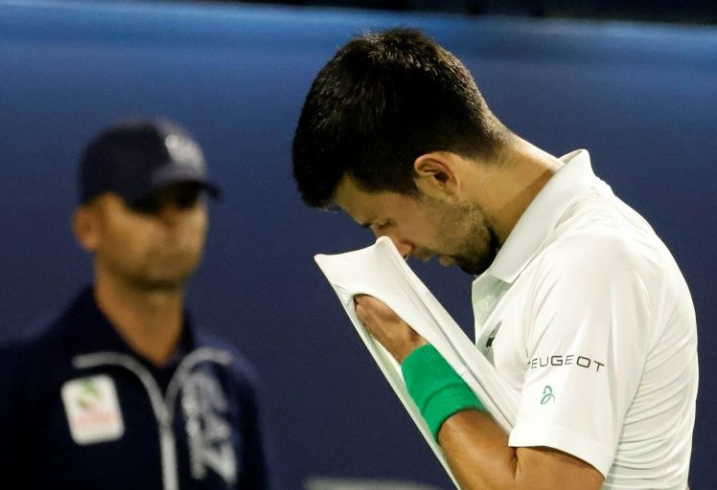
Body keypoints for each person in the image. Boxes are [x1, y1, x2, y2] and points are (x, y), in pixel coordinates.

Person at [292, 28, 698, 489]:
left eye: (383, 222)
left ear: (438, 175)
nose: (396, 249)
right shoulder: (545, 260)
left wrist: (416, 354)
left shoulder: (591, 261)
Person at [0, 118, 272, 489]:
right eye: (146, 203)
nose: (172, 221)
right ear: (87, 227)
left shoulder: (230, 380)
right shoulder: (22, 376)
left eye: (186, 202)